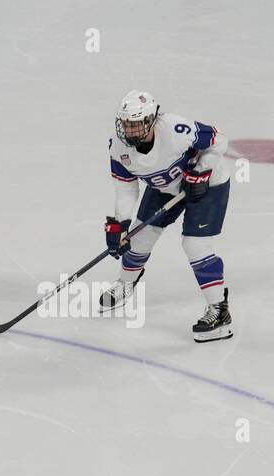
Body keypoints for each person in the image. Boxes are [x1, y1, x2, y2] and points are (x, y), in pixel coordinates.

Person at [101, 90, 233, 342]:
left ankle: (220, 311)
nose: (130, 130)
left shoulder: (176, 129)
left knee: (194, 245)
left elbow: (219, 140)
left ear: (151, 119)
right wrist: (121, 224)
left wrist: (202, 170)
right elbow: (127, 189)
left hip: (208, 185)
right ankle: (126, 284)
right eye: (127, 124)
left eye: (137, 124)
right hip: (164, 187)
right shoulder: (119, 148)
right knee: (138, 238)